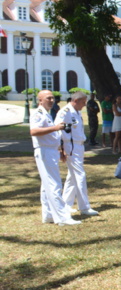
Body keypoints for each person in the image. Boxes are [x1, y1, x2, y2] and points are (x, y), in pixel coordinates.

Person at [30, 90, 81, 226]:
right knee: (54, 184)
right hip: (45, 151)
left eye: (52, 98)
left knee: (47, 185)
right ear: (40, 100)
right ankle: (63, 217)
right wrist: (56, 128)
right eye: (48, 98)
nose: (51, 100)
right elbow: (34, 131)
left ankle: (48, 215)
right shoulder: (38, 113)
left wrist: (59, 149)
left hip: (50, 150)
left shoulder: (47, 114)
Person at [55, 92, 99, 217]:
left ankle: (66, 204)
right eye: (83, 102)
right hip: (71, 145)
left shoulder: (76, 111)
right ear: (76, 100)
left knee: (72, 176)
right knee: (80, 175)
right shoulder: (65, 112)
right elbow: (58, 129)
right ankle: (84, 206)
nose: (84, 105)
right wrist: (60, 147)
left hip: (78, 145)